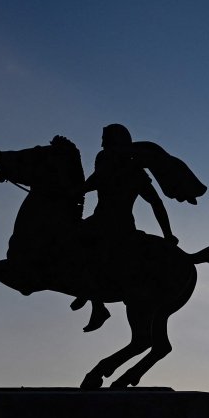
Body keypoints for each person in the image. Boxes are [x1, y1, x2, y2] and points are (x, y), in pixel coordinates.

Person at [72, 123, 183, 332]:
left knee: (93, 247)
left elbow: (155, 202)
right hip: (99, 219)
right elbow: (93, 182)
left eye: (105, 138)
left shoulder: (134, 171)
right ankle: (88, 293)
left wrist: (168, 233)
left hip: (120, 226)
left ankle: (96, 304)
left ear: (115, 140)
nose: (101, 142)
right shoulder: (103, 159)